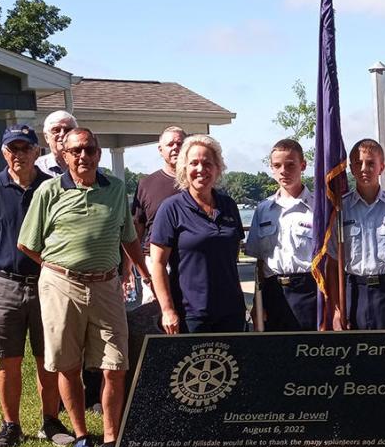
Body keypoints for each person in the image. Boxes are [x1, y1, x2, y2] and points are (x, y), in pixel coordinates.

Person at [17, 128, 152, 447]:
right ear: (64, 156)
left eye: (89, 149)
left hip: (107, 288)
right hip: (61, 287)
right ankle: (81, 439)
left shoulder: (117, 189)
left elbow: (129, 237)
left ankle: (110, 441)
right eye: (75, 151)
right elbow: (27, 243)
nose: (83, 156)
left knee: (115, 365)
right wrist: (56, 267)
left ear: (99, 154)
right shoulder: (49, 190)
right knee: (68, 365)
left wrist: (142, 270)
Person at [0, 124, 70, 447]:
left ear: (38, 151)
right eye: (12, 149)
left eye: (25, 148)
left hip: (47, 285)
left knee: (47, 358)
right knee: (7, 359)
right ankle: (10, 426)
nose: (18, 155)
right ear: (3, 152)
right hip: (4, 285)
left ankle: (51, 422)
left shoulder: (53, 188)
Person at [149, 135, 246, 334]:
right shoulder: (171, 208)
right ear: (184, 168)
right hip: (191, 314)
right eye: (194, 163)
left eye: (207, 163)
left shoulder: (228, 205)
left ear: (218, 168)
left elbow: (231, 255)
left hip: (231, 311)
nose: (201, 169)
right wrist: (167, 310)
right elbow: (158, 263)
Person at [338, 139, 385, 331]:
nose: (364, 168)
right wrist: (337, 309)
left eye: (371, 163)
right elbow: (333, 262)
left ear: (381, 167)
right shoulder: (340, 209)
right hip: (352, 290)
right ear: (351, 168)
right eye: (358, 163)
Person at [245, 138, 317, 331]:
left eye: (290, 165)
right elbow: (260, 262)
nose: (283, 171)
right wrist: (257, 302)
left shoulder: (318, 208)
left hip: (308, 292)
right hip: (273, 292)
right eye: (277, 165)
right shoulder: (263, 209)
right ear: (271, 168)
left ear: (303, 165)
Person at [131, 126, 186, 303]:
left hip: (190, 258)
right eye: (170, 144)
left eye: (180, 143)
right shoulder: (146, 184)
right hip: (155, 260)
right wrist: (131, 270)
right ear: (160, 150)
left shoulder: (199, 183)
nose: (176, 147)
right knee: (155, 314)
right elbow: (136, 230)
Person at [35, 109, 77, 176]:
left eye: (68, 130)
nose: (62, 134)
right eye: (56, 130)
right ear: (46, 137)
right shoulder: (36, 168)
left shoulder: (87, 166)